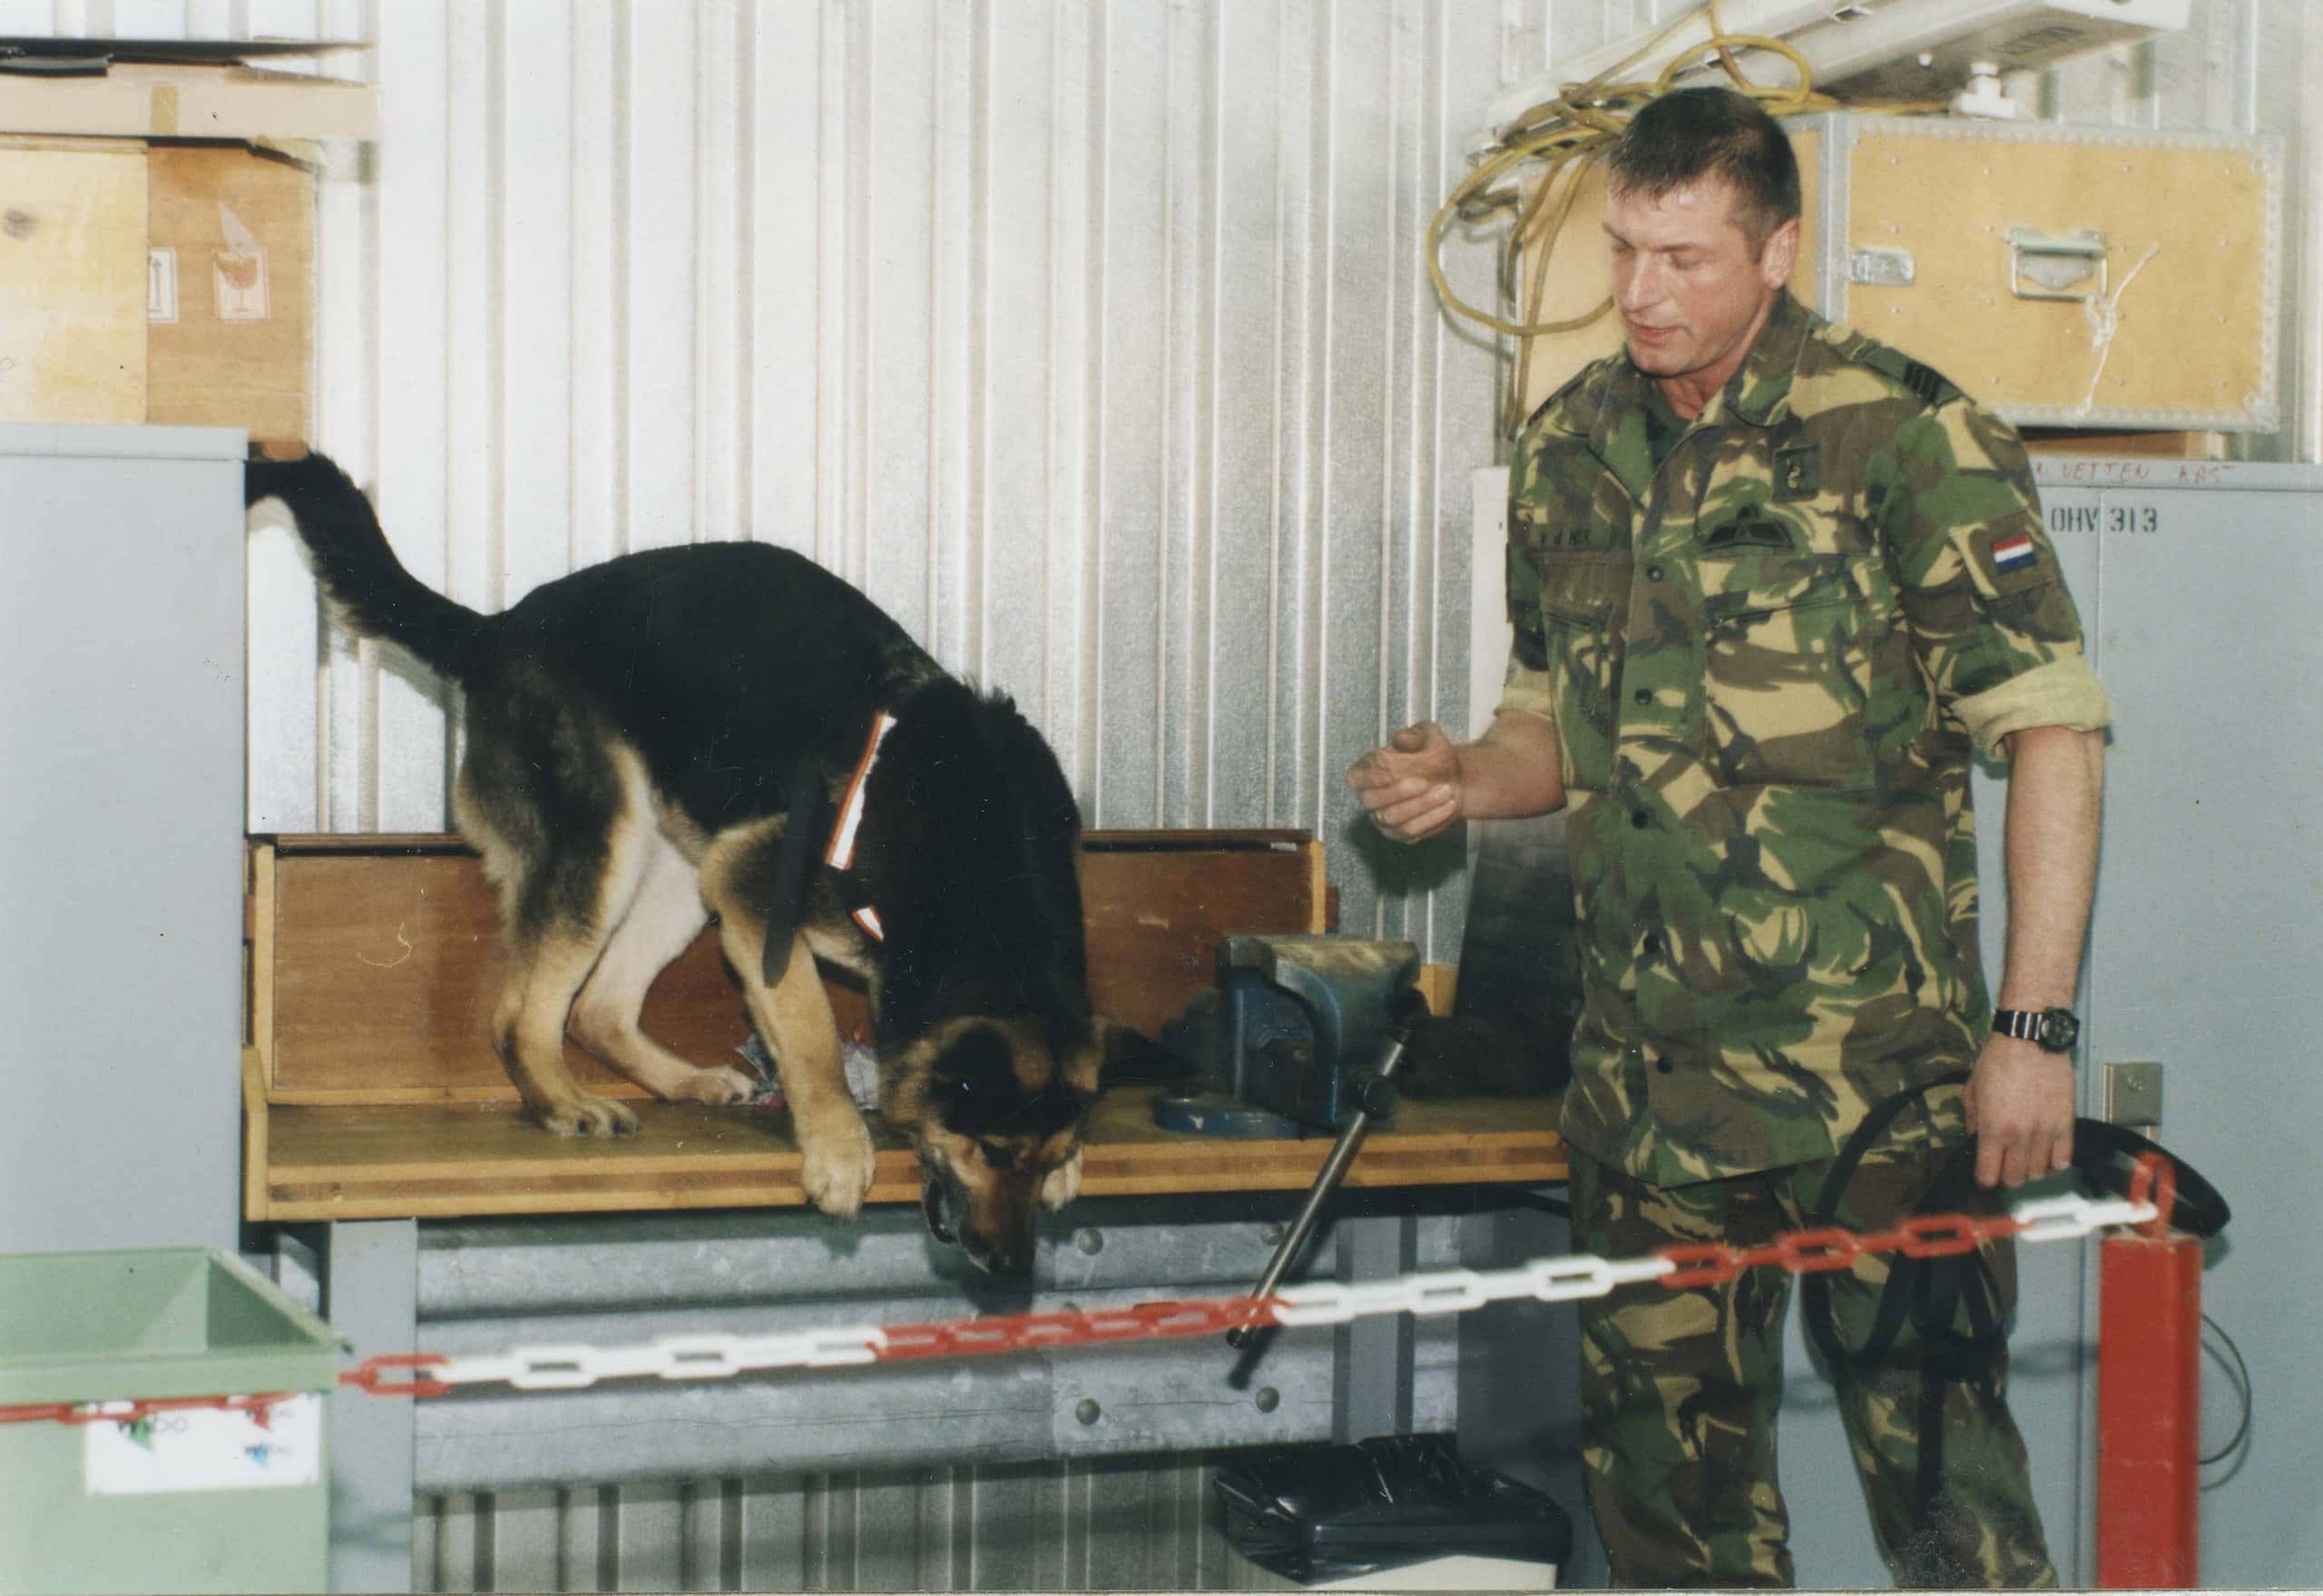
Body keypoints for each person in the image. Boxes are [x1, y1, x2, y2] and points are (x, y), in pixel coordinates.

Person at [1348, 86, 2109, 1588]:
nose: (1643, 292)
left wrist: (2031, 1030)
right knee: (1670, 1528)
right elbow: (1552, 725)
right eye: (1626, 251)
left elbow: (2053, 736)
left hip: (1875, 1097)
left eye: (1685, 257)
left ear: (1778, 252)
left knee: (1951, 1509)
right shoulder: (1569, 449)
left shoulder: (1907, 436)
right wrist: (1466, 781)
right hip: (1644, 1101)